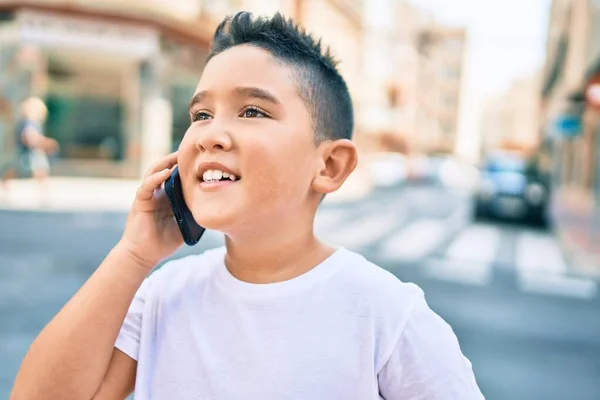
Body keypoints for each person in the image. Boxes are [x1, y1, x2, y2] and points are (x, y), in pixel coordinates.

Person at [11, 12, 485, 400]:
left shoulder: (387, 315)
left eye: (253, 111)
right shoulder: (162, 296)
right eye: (200, 114)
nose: (212, 134)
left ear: (331, 166)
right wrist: (132, 257)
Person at [0, 96, 58, 200]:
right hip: (30, 154)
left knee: (20, 170)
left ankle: (43, 190)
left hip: (27, 153)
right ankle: (44, 192)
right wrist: (41, 142)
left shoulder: (27, 123)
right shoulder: (29, 123)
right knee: (36, 170)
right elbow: (29, 136)